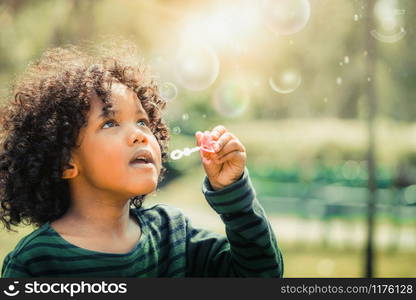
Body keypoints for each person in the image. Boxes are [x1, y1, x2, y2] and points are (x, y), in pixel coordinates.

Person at [0, 43, 284, 277]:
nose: (139, 135)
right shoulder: (35, 264)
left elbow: (261, 276)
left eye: (143, 121)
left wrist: (233, 193)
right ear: (65, 162)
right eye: (110, 123)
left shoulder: (173, 235)